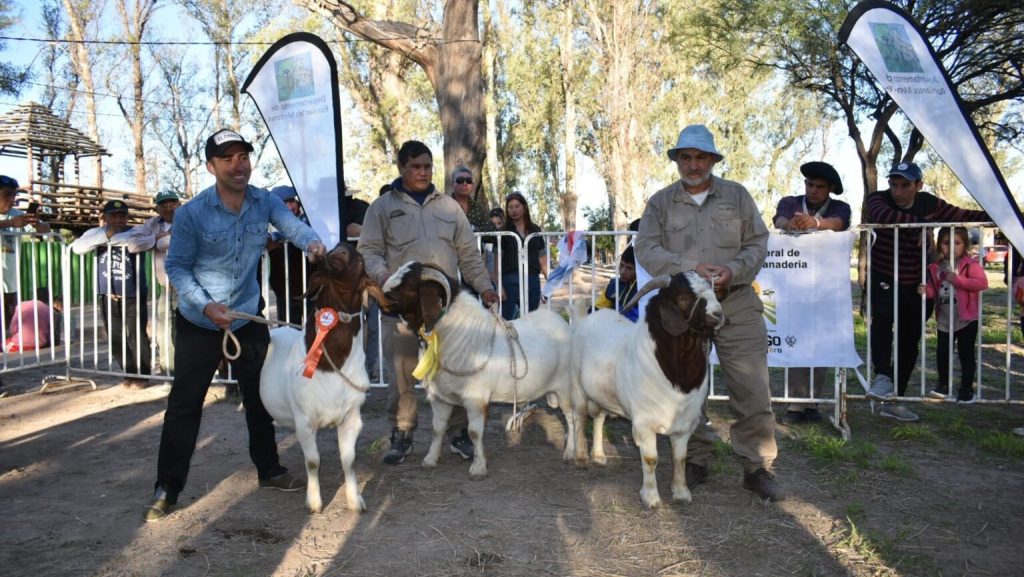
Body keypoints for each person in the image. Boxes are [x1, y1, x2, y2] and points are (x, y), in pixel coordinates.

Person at [143, 129, 326, 522]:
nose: (237, 164)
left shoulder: (263, 201)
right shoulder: (192, 213)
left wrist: (311, 243)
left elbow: (291, 226)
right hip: (198, 321)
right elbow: (176, 266)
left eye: (242, 156)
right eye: (226, 158)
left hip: (245, 318)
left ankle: (269, 470)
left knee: (259, 398)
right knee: (184, 405)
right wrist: (207, 306)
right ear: (211, 166)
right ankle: (167, 487)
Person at [634, 123, 783, 502]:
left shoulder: (737, 197)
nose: (693, 164)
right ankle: (695, 459)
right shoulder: (660, 203)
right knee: (686, 385)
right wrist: (688, 267)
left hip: (735, 302)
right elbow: (647, 248)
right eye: (686, 157)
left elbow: (757, 242)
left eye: (701, 157)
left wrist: (733, 270)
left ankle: (757, 467)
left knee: (751, 387)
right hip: (685, 311)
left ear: (714, 160)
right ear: (677, 161)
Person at [358, 140, 499, 465]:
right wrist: (384, 278)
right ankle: (402, 435)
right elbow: (369, 251)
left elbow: (468, 255)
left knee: (456, 371)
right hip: (402, 308)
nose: (422, 172)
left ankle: (459, 434)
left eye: (427, 166)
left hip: (446, 310)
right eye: (415, 167)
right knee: (402, 374)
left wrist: (486, 287)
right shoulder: (381, 208)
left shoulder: (449, 207)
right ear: (401, 168)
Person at [863, 161, 988, 422]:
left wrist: (1000, 217)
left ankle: (895, 399)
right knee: (882, 322)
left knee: (910, 340)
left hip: (917, 281)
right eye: (894, 184)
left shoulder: (929, 203)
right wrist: (922, 225)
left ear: (918, 186)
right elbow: (881, 216)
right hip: (884, 276)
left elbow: (960, 214)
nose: (898, 191)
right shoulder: (878, 199)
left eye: (905, 185)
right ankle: (883, 375)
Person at [773, 161, 852, 424]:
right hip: (794, 284)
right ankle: (796, 404)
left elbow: (839, 223)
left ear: (830, 189)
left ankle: (814, 402)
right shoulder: (790, 201)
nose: (813, 190)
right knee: (796, 338)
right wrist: (790, 224)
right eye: (809, 184)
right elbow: (780, 218)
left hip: (826, 286)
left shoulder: (841, 206)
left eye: (820, 186)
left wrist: (816, 223)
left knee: (822, 342)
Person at [71, 199, 152, 389]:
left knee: (137, 335)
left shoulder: (137, 230)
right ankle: (128, 372)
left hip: (133, 293)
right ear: (104, 217)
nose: (118, 220)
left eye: (122, 216)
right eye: (114, 216)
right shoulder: (94, 232)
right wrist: (105, 235)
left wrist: (107, 238)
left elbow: (137, 242)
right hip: (108, 294)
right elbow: (77, 248)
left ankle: (142, 375)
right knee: (115, 337)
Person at [919, 227, 988, 402]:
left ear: (964, 244)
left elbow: (981, 283)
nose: (951, 247)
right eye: (946, 243)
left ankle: (966, 389)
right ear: (939, 245)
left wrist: (957, 279)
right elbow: (935, 291)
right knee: (943, 353)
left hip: (967, 318)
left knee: (966, 353)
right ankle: (943, 385)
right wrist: (925, 290)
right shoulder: (935, 267)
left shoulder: (970, 264)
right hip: (944, 318)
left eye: (956, 243)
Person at [126, 190, 180, 374]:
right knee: (164, 331)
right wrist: (155, 238)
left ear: (178, 204)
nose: (168, 207)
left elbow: (193, 241)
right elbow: (133, 245)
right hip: (166, 286)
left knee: (192, 330)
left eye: (172, 202)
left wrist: (161, 242)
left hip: (191, 285)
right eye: (163, 204)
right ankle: (169, 373)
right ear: (157, 207)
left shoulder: (189, 219)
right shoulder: (153, 224)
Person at [0, 175, 50, 333]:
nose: (12, 199)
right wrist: (8, 223)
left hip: (10, 283)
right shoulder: (13, 219)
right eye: (7, 194)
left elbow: (46, 232)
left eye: (14, 195)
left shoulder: (16, 215)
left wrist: (37, 223)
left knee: (6, 328)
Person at [498, 192, 547, 320]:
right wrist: (499, 286)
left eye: (517, 206)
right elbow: (497, 260)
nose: (514, 210)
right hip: (509, 280)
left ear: (524, 207)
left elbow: (542, 259)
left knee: (531, 320)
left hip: (532, 279)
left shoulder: (535, 230)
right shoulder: (503, 231)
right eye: (510, 207)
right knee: (507, 320)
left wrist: (549, 284)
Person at [266, 185, 310, 324]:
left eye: (291, 201)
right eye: (284, 203)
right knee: (288, 322)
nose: (290, 206)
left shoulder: (306, 219)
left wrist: (273, 237)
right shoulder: (268, 222)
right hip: (284, 285)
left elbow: (296, 231)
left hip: (307, 281)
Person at [593, 245, 639, 322]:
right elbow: (598, 309)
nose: (623, 271)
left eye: (629, 268)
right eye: (621, 265)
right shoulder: (613, 285)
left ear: (638, 270)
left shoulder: (644, 288)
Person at [4, 287, 55, 352]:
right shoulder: (49, 310)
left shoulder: (21, 305)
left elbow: (13, 328)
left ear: (34, 295)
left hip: (20, 344)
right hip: (41, 344)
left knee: (3, 345)